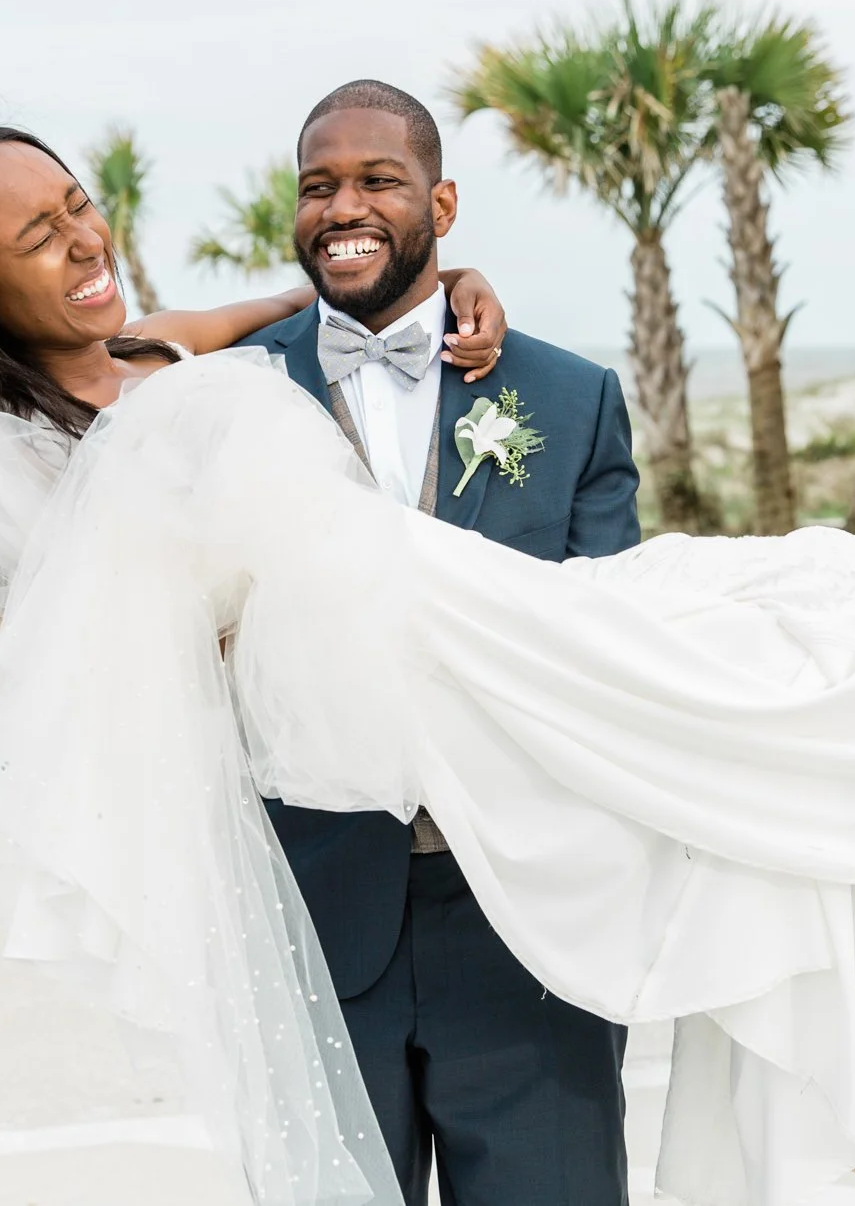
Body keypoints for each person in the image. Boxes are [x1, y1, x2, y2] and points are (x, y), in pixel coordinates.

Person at [0, 115, 855, 1206]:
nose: (85, 239)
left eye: (78, 204)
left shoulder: (139, 349)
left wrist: (438, 279)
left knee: (827, 601)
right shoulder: (37, 462)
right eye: (39, 235)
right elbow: (126, 656)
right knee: (786, 644)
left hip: (460, 625)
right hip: (405, 696)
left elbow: (261, 318)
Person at [230, 81, 639, 1206]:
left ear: (442, 201)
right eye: (318, 187)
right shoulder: (231, 396)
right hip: (314, 922)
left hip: (527, 931)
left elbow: (612, 652)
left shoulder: (569, 397)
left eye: (376, 181)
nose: (341, 205)